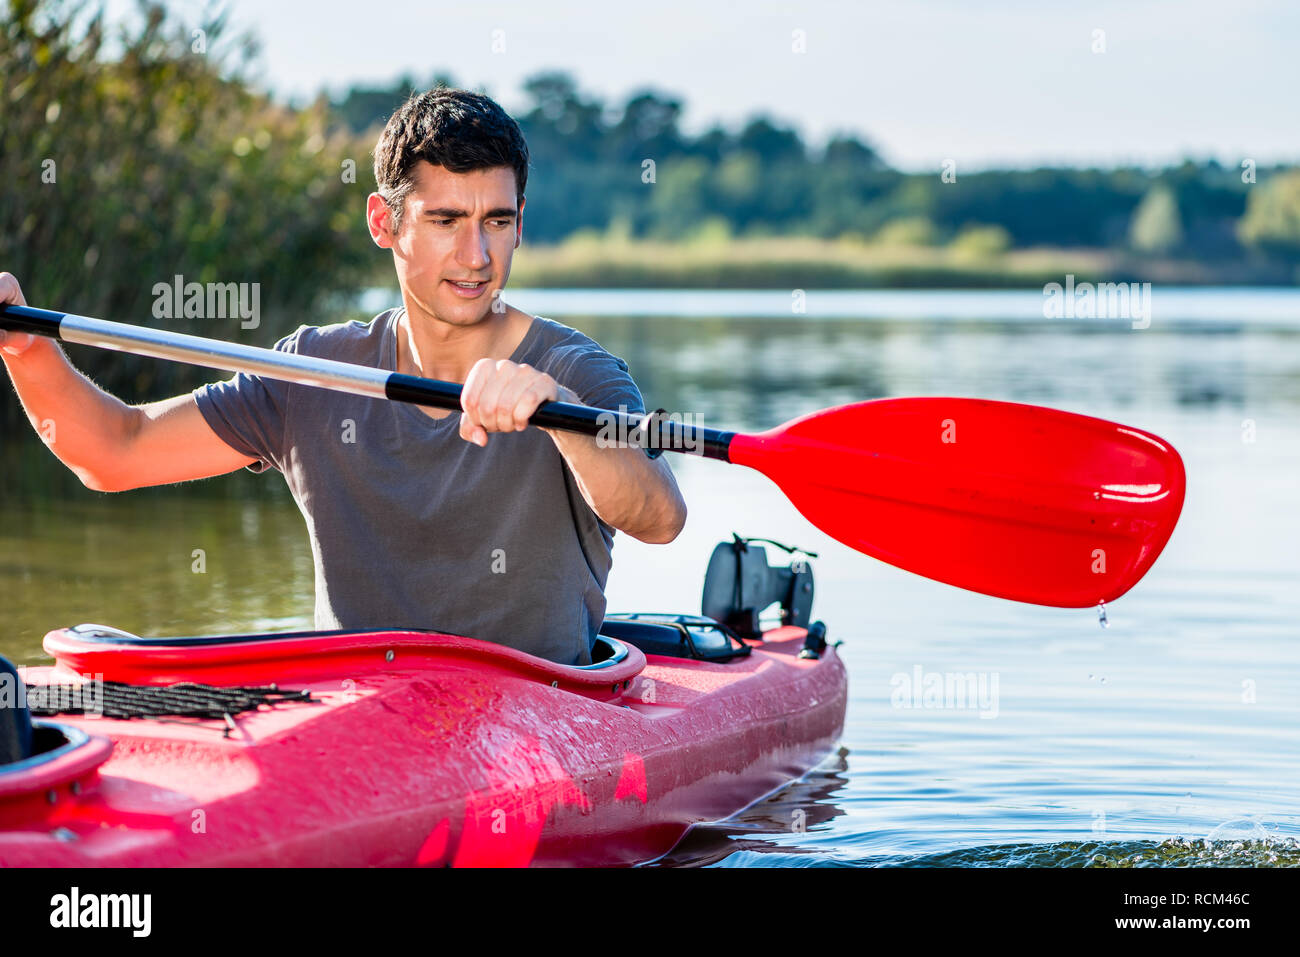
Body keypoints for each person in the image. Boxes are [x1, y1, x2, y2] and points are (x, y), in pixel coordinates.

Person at [0, 88, 687, 666]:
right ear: (384, 222)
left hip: (543, 730)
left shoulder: (579, 371)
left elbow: (660, 516)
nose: (476, 254)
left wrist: (563, 416)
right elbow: (115, 449)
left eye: (496, 221)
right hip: (359, 738)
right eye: (445, 220)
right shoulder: (314, 373)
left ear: (519, 225)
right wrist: (24, 350)